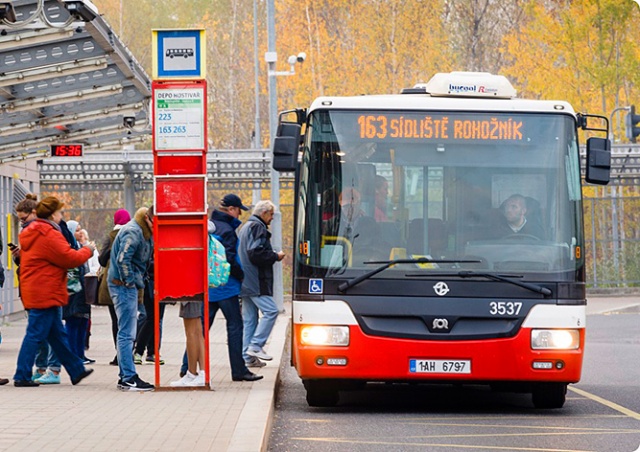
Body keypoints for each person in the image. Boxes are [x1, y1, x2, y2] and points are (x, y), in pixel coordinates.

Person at [180, 194, 264, 380]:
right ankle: (239, 371)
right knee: (235, 327)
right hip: (226, 287)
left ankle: (187, 366)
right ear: (232, 209)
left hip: (208, 287)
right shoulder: (227, 230)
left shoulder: (210, 225)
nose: (239, 215)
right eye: (239, 211)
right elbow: (230, 259)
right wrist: (240, 275)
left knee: (200, 330)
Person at [13, 196, 94, 387]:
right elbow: (68, 258)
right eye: (59, 212)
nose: (61, 216)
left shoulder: (32, 231)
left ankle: (76, 370)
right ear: (51, 215)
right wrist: (87, 250)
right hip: (45, 291)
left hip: (37, 288)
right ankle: (22, 374)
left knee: (57, 335)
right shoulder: (47, 233)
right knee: (35, 334)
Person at [108, 206, 154, 392]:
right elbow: (122, 259)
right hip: (123, 286)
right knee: (127, 333)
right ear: (147, 218)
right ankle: (128, 377)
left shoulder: (142, 231)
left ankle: (125, 376)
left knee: (127, 330)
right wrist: (129, 282)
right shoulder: (134, 232)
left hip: (129, 284)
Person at [238, 200, 285, 364]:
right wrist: (275, 256)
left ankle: (247, 357)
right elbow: (256, 253)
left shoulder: (246, 227)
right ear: (264, 213)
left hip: (245, 280)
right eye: (271, 214)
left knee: (250, 319)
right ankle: (256, 345)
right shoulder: (258, 227)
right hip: (256, 280)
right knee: (271, 311)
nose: (272, 218)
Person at [97, 208, 132, 366]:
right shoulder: (133, 234)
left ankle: (119, 354)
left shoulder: (110, 237)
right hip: (129, 283)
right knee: (129, 320)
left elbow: (102, 261)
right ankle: (128, 353)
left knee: (115, 321)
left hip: (110, 283)